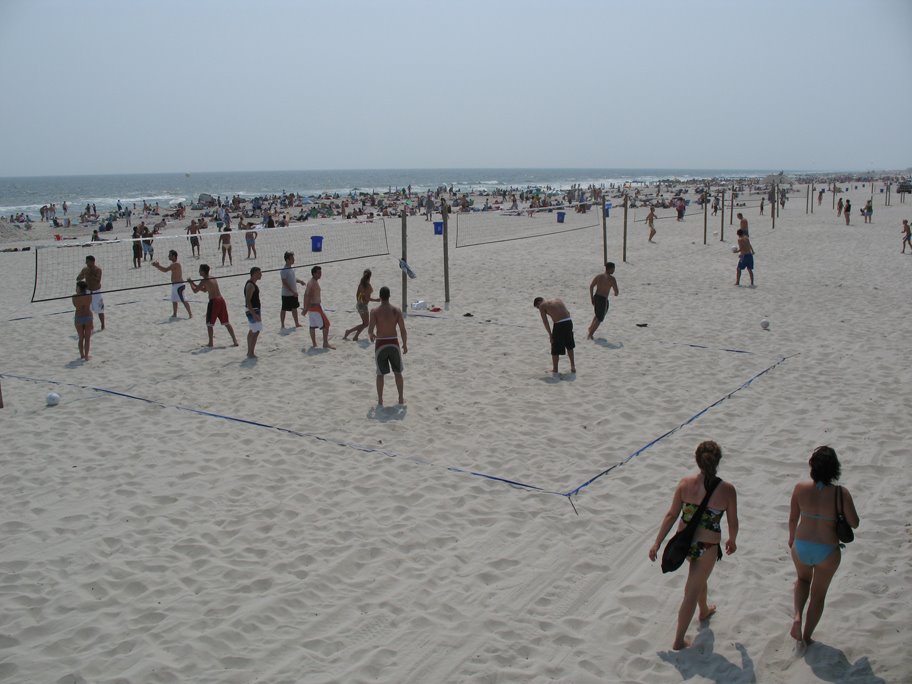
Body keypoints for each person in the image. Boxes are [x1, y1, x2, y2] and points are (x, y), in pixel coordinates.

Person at [648, 440, 739, 650]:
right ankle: (679, 640)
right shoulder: (727, 489)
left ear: (697, 460)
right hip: (707, 545)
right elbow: (733, 521)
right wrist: (732, 539)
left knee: (698, 578)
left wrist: (657, 542)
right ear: (718, 462)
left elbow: (672, 515)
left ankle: (704, 609)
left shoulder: (685, 483)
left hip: (684, 542)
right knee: (691, 589)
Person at [788, 446, 859, 647]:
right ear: (834, 469)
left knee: (802, 580)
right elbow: (854, 523)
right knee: (818, 596)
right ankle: (808, 637)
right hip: (827, 549)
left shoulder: (800, 487)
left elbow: (793, 518)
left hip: (801, 545)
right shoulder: (840, 493)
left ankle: (797, 616)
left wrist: (791, 539)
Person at [367, 286, 407, 405]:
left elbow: (370, 330)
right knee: (398, 372)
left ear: (380, 297)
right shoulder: (397, 310)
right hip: (393, 343)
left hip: (381, 344)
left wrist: (372, 335)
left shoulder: (374, 311)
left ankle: (380, 400)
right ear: (389, 296)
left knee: (380, 374)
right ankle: (400, 398)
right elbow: (403, 330)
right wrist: (405, 344)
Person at [187, 263, 238, 348]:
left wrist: (190, 283)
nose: (198, 271)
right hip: (221, 300)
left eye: (200, 270)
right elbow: (204, 290)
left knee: (209, 323)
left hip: (214, 302)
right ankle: (235, 341)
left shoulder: (204, 280)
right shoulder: (212, 277)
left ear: (203, 272)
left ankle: (210, 343)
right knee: (226, 322)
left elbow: (195, 291)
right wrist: (193, 282)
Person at [533, 297, 576, 374]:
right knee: (569, 345)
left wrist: (550, 335)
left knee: (555, 347)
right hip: (569, 321)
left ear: (539, 302)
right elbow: (568, 312)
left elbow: (545, 322)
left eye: (537, 307)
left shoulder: (542, 305)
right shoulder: (557, 299)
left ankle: (555, 369)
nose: (538, 308)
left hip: (559, 324)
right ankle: (573, 366)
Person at [152, 250, 192, 319]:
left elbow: (165, 270)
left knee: (183, 300)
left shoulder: (176, 264)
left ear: (174, 256)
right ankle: (174, 314)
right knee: (174, 300)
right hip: (175, 285)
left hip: (179, 285)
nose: (168, 256)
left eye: (170, 255)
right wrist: (157, 266)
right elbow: (165, 270)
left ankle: (190, 314)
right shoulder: (174, 264)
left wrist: (157, 266)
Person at [302, 265, 334, 349]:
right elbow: (307, 295)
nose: (320, 274)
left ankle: (314, 344)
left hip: (311, 309)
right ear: (314, 274)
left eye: (321, 272)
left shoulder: (311, 281)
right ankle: (325, 343)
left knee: (312, 326)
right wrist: (305, 308)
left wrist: (305, 307)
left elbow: (305, 294)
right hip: (315, 308)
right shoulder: (312, 283)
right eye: (319, 272)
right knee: (326, 324)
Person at [343, 269, 379, 341]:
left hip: (359, 305)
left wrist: (360, 302)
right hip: (363, 306)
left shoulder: (361, 284)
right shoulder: (368, 286)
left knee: (364, 323)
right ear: (370, 276)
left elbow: (356, 295)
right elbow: (367, 298)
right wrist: (376, 300)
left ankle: (356, 336)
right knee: (366, 324)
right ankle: (349, 331)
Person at [586, 262, 619, 340]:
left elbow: (591, 286)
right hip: (603, 299)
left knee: (598, 315)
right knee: (600, 318)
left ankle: (590, 328)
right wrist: (615, 293)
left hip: (596, 297)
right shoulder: (612, 279)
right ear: (610, 269)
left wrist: (591, 298)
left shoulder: (599, 276)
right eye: (613, 269)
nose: (614, 270)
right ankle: (590, 334)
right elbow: (616, 292)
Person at [77, 255, 105, 330]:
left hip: (96, 292)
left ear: (92, 262)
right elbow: (78, 278)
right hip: (87, 292)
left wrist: (89, 275)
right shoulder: (85, 269)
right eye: (86, 261)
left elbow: (98, 280)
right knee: (87, 310)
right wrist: (82, 276)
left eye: (88, 261)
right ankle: (90, 326)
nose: (86, 263)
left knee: (100, 309)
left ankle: (103, 325)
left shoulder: (98, 270)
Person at [280, 251, 306, 328]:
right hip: (286, 294)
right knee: (284, 309)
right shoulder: (284, 270)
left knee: (294, 308)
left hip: (293, 293)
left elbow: (293, 279)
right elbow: (284, 283)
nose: (294, 260)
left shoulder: (291, 269)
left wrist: (300, 281)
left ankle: (296, 323)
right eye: (292, 259)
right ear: (287, 260)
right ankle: (282, 324)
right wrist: (292, 292)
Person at [244, 267, 263, 358]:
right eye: (259, 273)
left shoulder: (251, 284)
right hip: (253, 310)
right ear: (254, 273)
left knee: (252, 330)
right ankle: (251, 352)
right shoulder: (250, 285)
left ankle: (249, 352)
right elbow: (248, 301)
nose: (261, 275)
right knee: (256, 331)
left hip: (253, 309)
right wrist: (254, 314)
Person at [72, 281, 94, 360]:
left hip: (79, 317)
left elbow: (75, 305)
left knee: (81, 338)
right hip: (88, 317)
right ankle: (86, 356)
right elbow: (89, 303)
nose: (76, 289)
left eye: (77, 287)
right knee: (87, 338)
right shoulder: (89, 296)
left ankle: (82, 355)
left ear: (80, 289)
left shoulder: (74, 297)